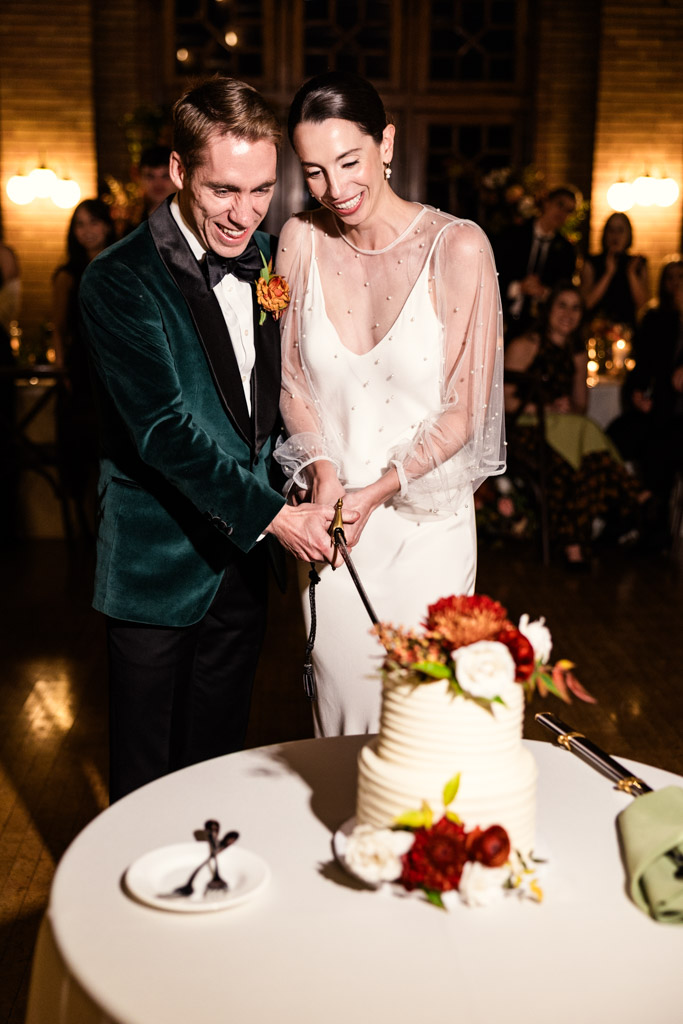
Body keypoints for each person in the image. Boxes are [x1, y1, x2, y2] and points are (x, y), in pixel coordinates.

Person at [80, 75, 356, 802]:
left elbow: (270, 405)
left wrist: (306, 471)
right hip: (156, 565)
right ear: (178, 171)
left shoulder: (268, 260)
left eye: (262, 189)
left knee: (215, 768)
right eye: (223, 190)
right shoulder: (117, 280)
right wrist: (275, 516)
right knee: (144, 781)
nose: (244, 215)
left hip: (240, 565)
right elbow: (162, 431)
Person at [274, 72, 505, 736]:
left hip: (423, 528)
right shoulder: (299, 240)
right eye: (314, 171)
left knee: (421, 724)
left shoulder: (457, 247)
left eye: (348, 161)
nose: (334, 188)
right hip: (335, 527)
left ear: (386, 144)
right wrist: (324, 478)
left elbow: (464, 409)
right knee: (341, 714)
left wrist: (373, 491)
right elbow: (291, 381)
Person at [504, 283, 647, 566]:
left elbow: (582, 407)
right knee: (576, 462)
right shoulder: (526, 344)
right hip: (525, 427)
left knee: (587, 463)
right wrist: (545, 408)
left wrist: (567, 406)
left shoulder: (578, 354)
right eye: (562, 305)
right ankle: (632, 496)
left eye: (576, 307)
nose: (568, 313)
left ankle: (573, 546)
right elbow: (504, 403)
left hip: (565, 429)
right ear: (548, 310)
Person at [608, 260, 683, 547]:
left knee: (661, 447)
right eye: (671, 278)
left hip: (675, 419)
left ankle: (653, 526)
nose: (676, 284)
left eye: (681, 278)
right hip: (654, 413)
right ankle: (623, 514)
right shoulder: (656, 320)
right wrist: (636, 394)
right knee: (614, 437)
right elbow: (640, 369)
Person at [52, 200, 116, 531]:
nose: (87, 231)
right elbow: (58, 330)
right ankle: (88, 530)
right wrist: (63, 372)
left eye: (93, 223)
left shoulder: (122, 265)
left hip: (116, 369)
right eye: (79, 224)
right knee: (85, 453)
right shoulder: (67, 275)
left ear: (107, 225)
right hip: (82, 372)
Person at [494, 187, 577, 339]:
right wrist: (519, 287)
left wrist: (543, 292)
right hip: (502, 318)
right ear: (546, 203)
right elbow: (495, 274)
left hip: (541, 326)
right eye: (560, 205)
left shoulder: (566, 250)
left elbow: (563, 286)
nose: (562, 213)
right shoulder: (513, 234)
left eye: (568, 211)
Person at [580, 212, 649, 329]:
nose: (615, 235)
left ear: (629, 234)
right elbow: (586, 303)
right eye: (611, 230)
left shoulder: (637, 263)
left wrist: (631, 274)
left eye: (620, 230)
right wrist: (608, 273)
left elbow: (643, 304)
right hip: (596, 327)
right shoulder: (591, 262)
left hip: (626, 330)